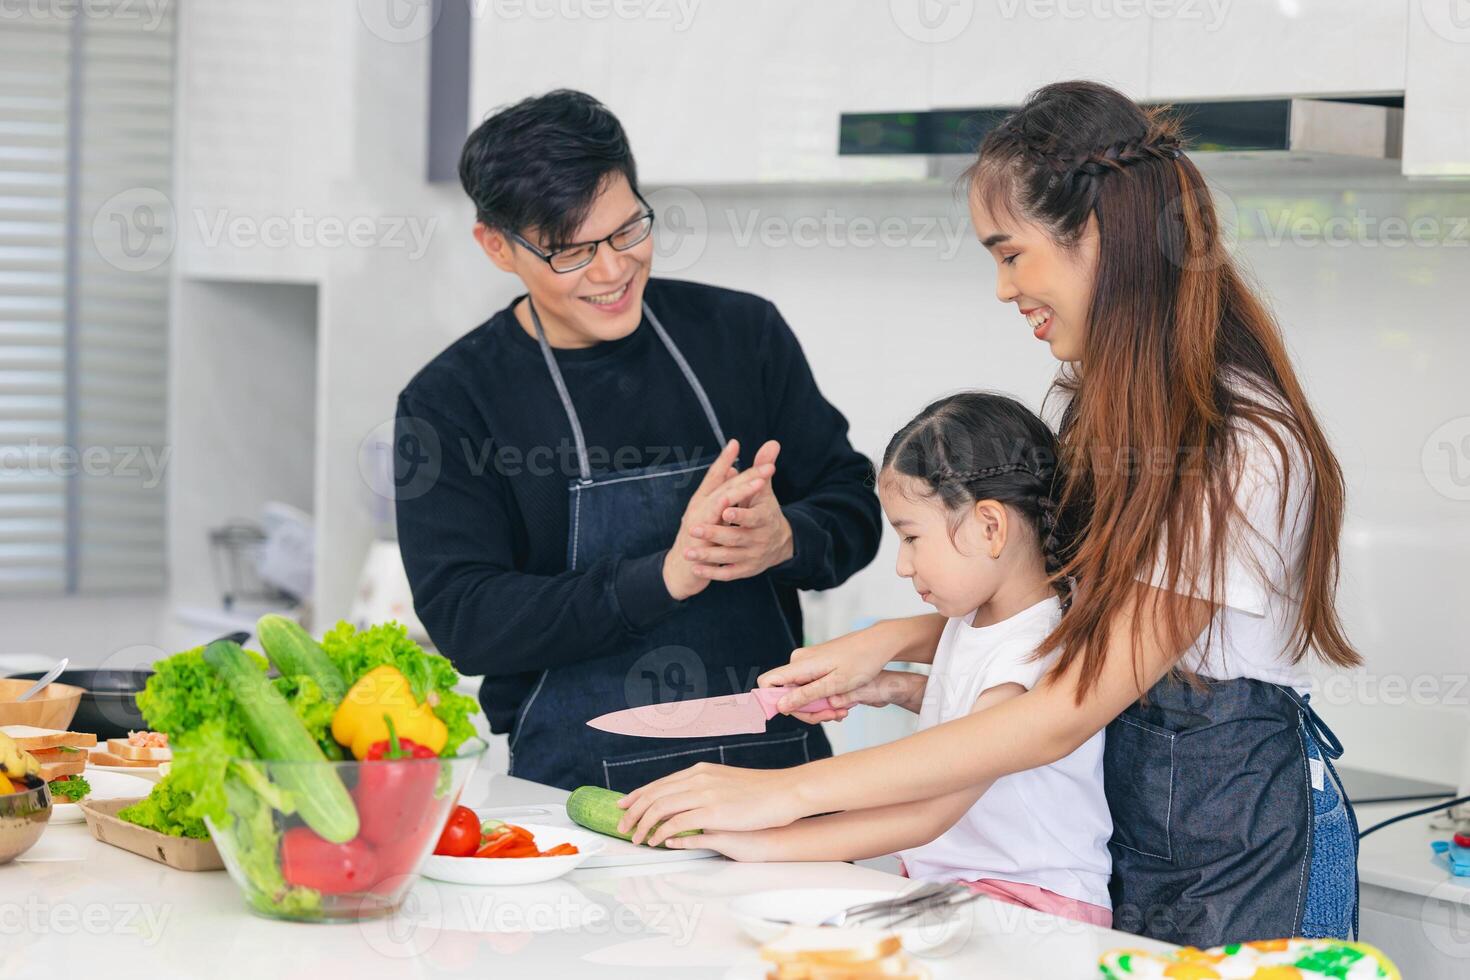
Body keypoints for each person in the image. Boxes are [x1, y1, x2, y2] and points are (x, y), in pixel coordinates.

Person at [616, 81, 1362, 947]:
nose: (1005, 289)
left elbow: (1070, 705)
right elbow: (1069, 626)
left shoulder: (1234, 448)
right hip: (1153, 842)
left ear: (1096, 237)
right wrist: (898, 649)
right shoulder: (1118, 414)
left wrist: (784, 793)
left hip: (1245, 858)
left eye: (1011, 254)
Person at [395, 90, 881, 791]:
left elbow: (852, 504)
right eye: (572, 252)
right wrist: (660, 579)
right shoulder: (454, 400)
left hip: (781, 781)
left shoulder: (741, 335)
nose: (613, 270)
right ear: (496, 246)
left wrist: (789, 540)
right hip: (576, 797)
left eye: (628, 231)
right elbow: (467, 620)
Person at [678, 392, 1115, 928]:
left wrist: (766, 842)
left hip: (1030, 905)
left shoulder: (1032, 646)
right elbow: (968, 720)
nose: (904, 566)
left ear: (990, 527)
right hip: (961, 886)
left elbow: (929, 812)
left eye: (911, 537)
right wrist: (889, 690)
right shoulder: (980, 620)